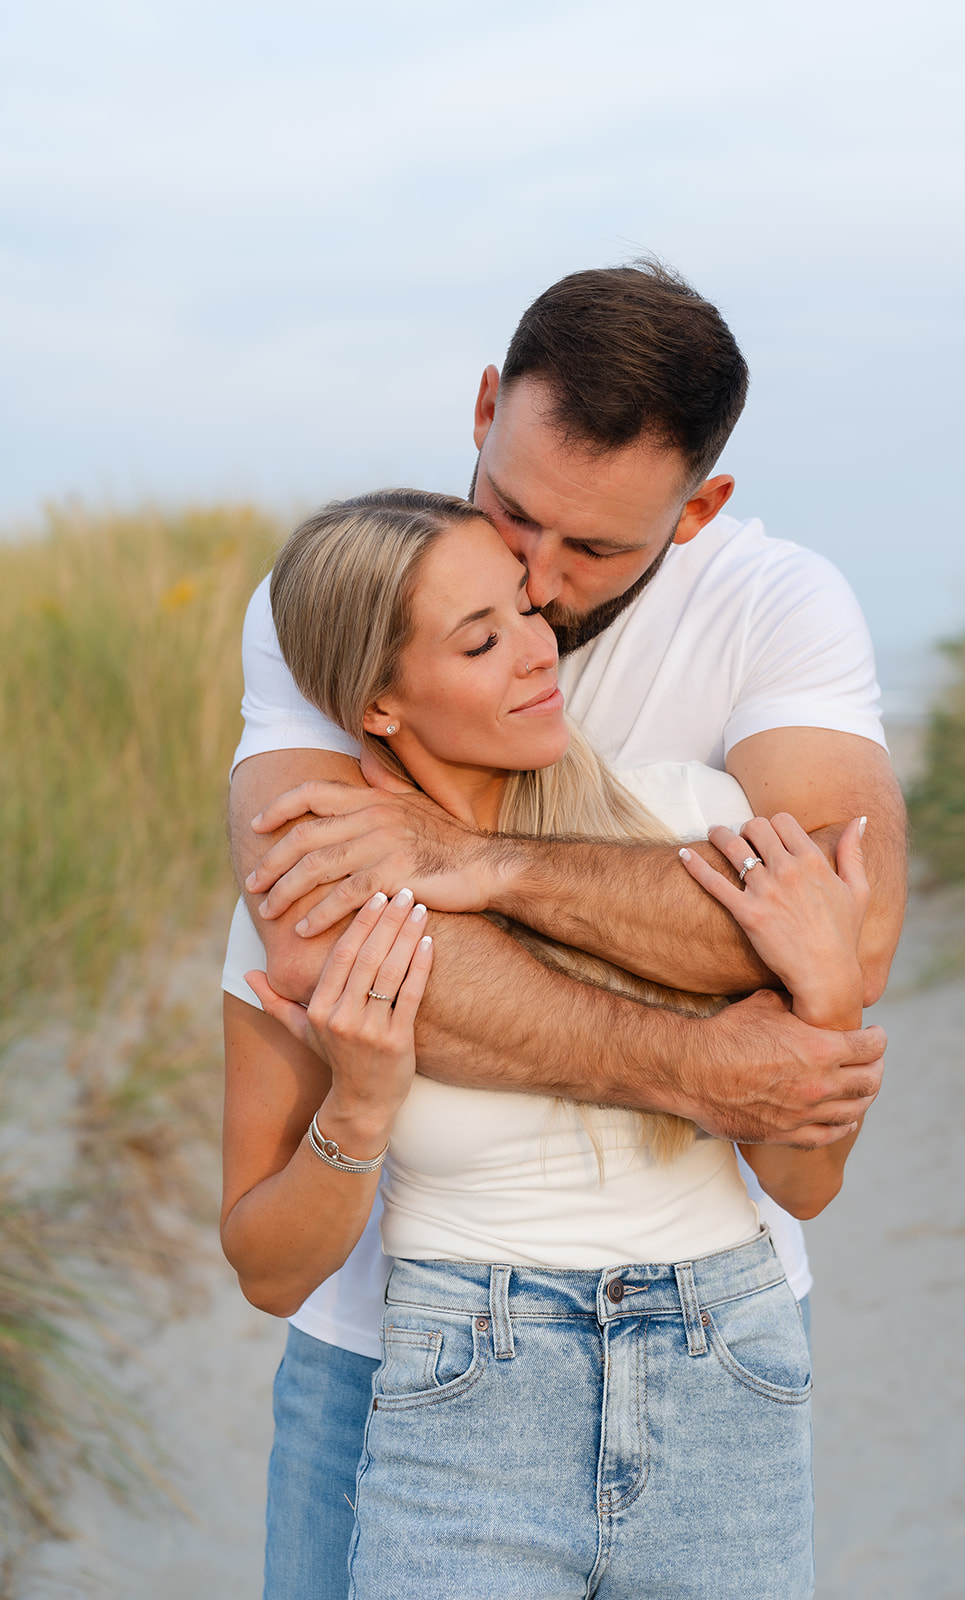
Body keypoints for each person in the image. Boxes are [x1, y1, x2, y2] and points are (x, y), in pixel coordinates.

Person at [224, 262, 905, 1598]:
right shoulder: (347, 595)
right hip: (390, 1348)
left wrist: (474, 863)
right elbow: (317, 939)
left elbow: (844, 934)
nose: (536, 590)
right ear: (484, 406)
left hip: (718, 1328)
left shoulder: (776, 611)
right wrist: (694, 1066)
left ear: (697, 509)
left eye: (591, 549)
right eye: (512, 514)